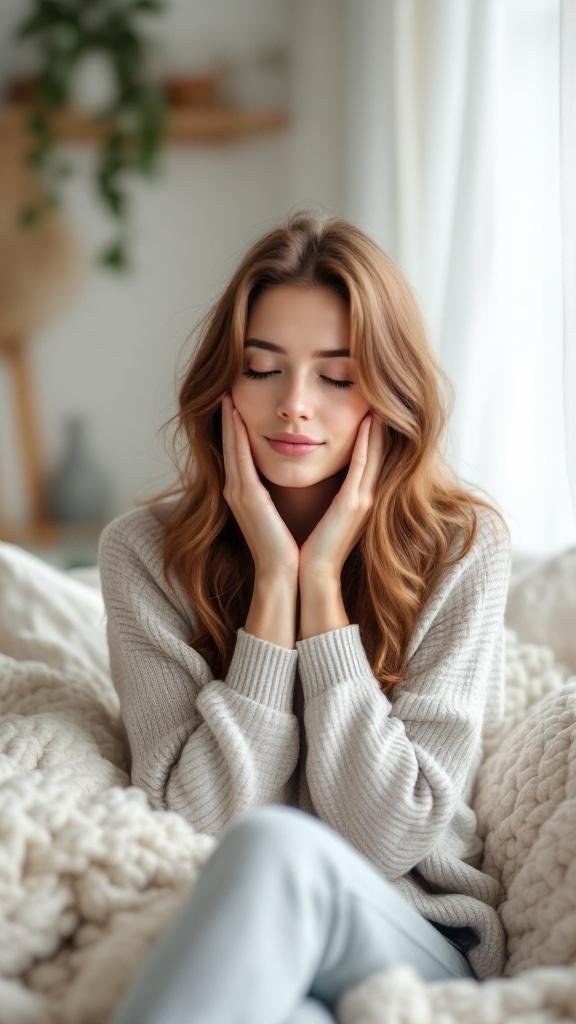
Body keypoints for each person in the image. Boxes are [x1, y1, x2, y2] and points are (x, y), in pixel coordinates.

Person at [99, 210, 512, 1024]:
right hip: (235, 937)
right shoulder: (143, 553)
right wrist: (271, 588)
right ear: (225, 384)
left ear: (389, 391)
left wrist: (319, 588)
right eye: (263, 369)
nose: (294, 405)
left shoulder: (462, 548)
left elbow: (391, 835)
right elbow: (195, 827)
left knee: (274, 847)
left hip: (411, 941)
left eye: (337, 376)